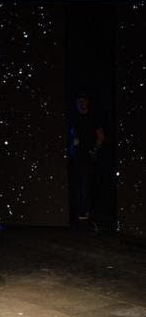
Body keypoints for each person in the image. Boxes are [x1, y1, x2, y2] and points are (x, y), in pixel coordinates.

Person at [68, 92, 106, 223]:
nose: (80, 104)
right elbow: (73, 135)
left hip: (87, 155)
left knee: (85, 184)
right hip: (76, 156)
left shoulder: (93, 117)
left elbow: (101, 136)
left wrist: (94, 150)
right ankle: (80, 210)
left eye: (83, 101)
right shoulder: (74, 118)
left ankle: (84, 211)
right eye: (78, 102)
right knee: (78, 184)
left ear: (87, 102)